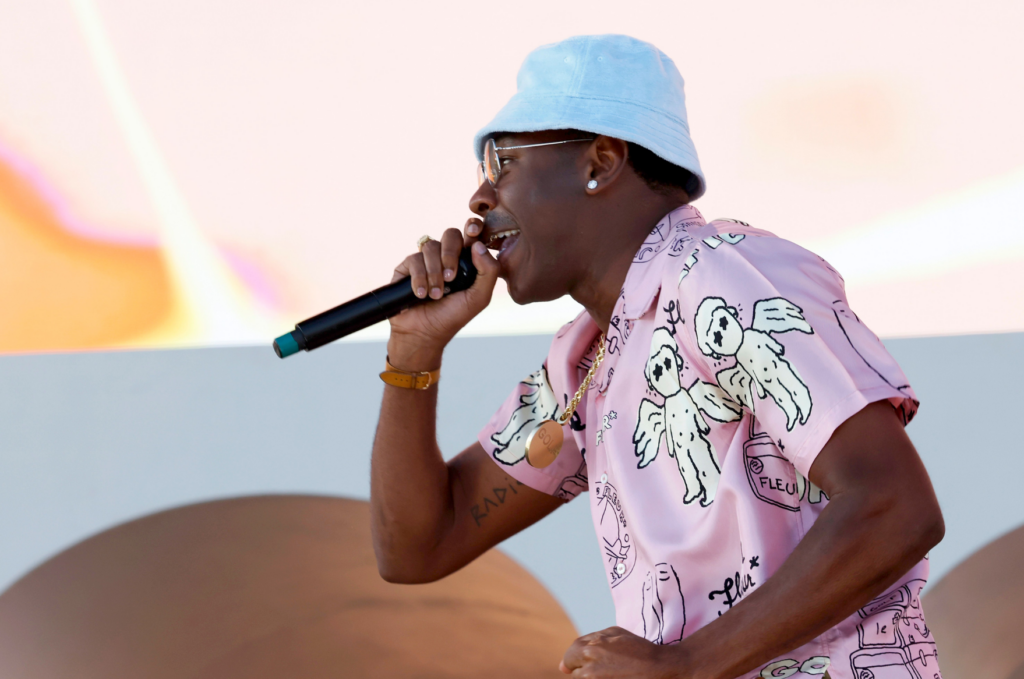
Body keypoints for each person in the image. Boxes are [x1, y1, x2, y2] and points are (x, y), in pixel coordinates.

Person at [369, 34, 944, 679]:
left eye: (502, 163)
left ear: (600, 162)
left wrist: (686, 665)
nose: (479, 199)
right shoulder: (584, 358)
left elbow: (893, 506)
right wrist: (413, 352)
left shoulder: (722, 273)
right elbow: (418, 548)